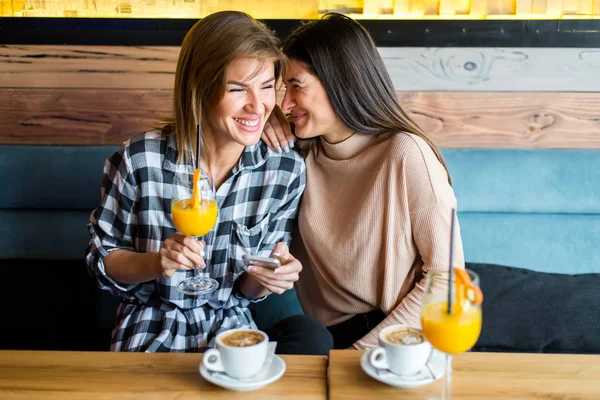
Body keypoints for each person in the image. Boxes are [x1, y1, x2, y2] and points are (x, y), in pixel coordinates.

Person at [86, 10, 332, 354]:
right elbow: (103, 261)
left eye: (265, 87)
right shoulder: (141, 159)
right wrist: (157, 263)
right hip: (149, 326)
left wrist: (267, 278)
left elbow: (247, 291)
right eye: (237, 88)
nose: (257, 106)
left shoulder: (283, 171)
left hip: (234, 331)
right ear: (199, 88)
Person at [261, 13, 465, 350]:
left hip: (398, 334)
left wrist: (358, 356)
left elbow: (447, 282)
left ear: (339, 80)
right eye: (283, 89)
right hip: (326, 337)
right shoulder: (296, 155)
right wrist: (261, 120)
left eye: (296, 86)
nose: (285, 102)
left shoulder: (405, 153)